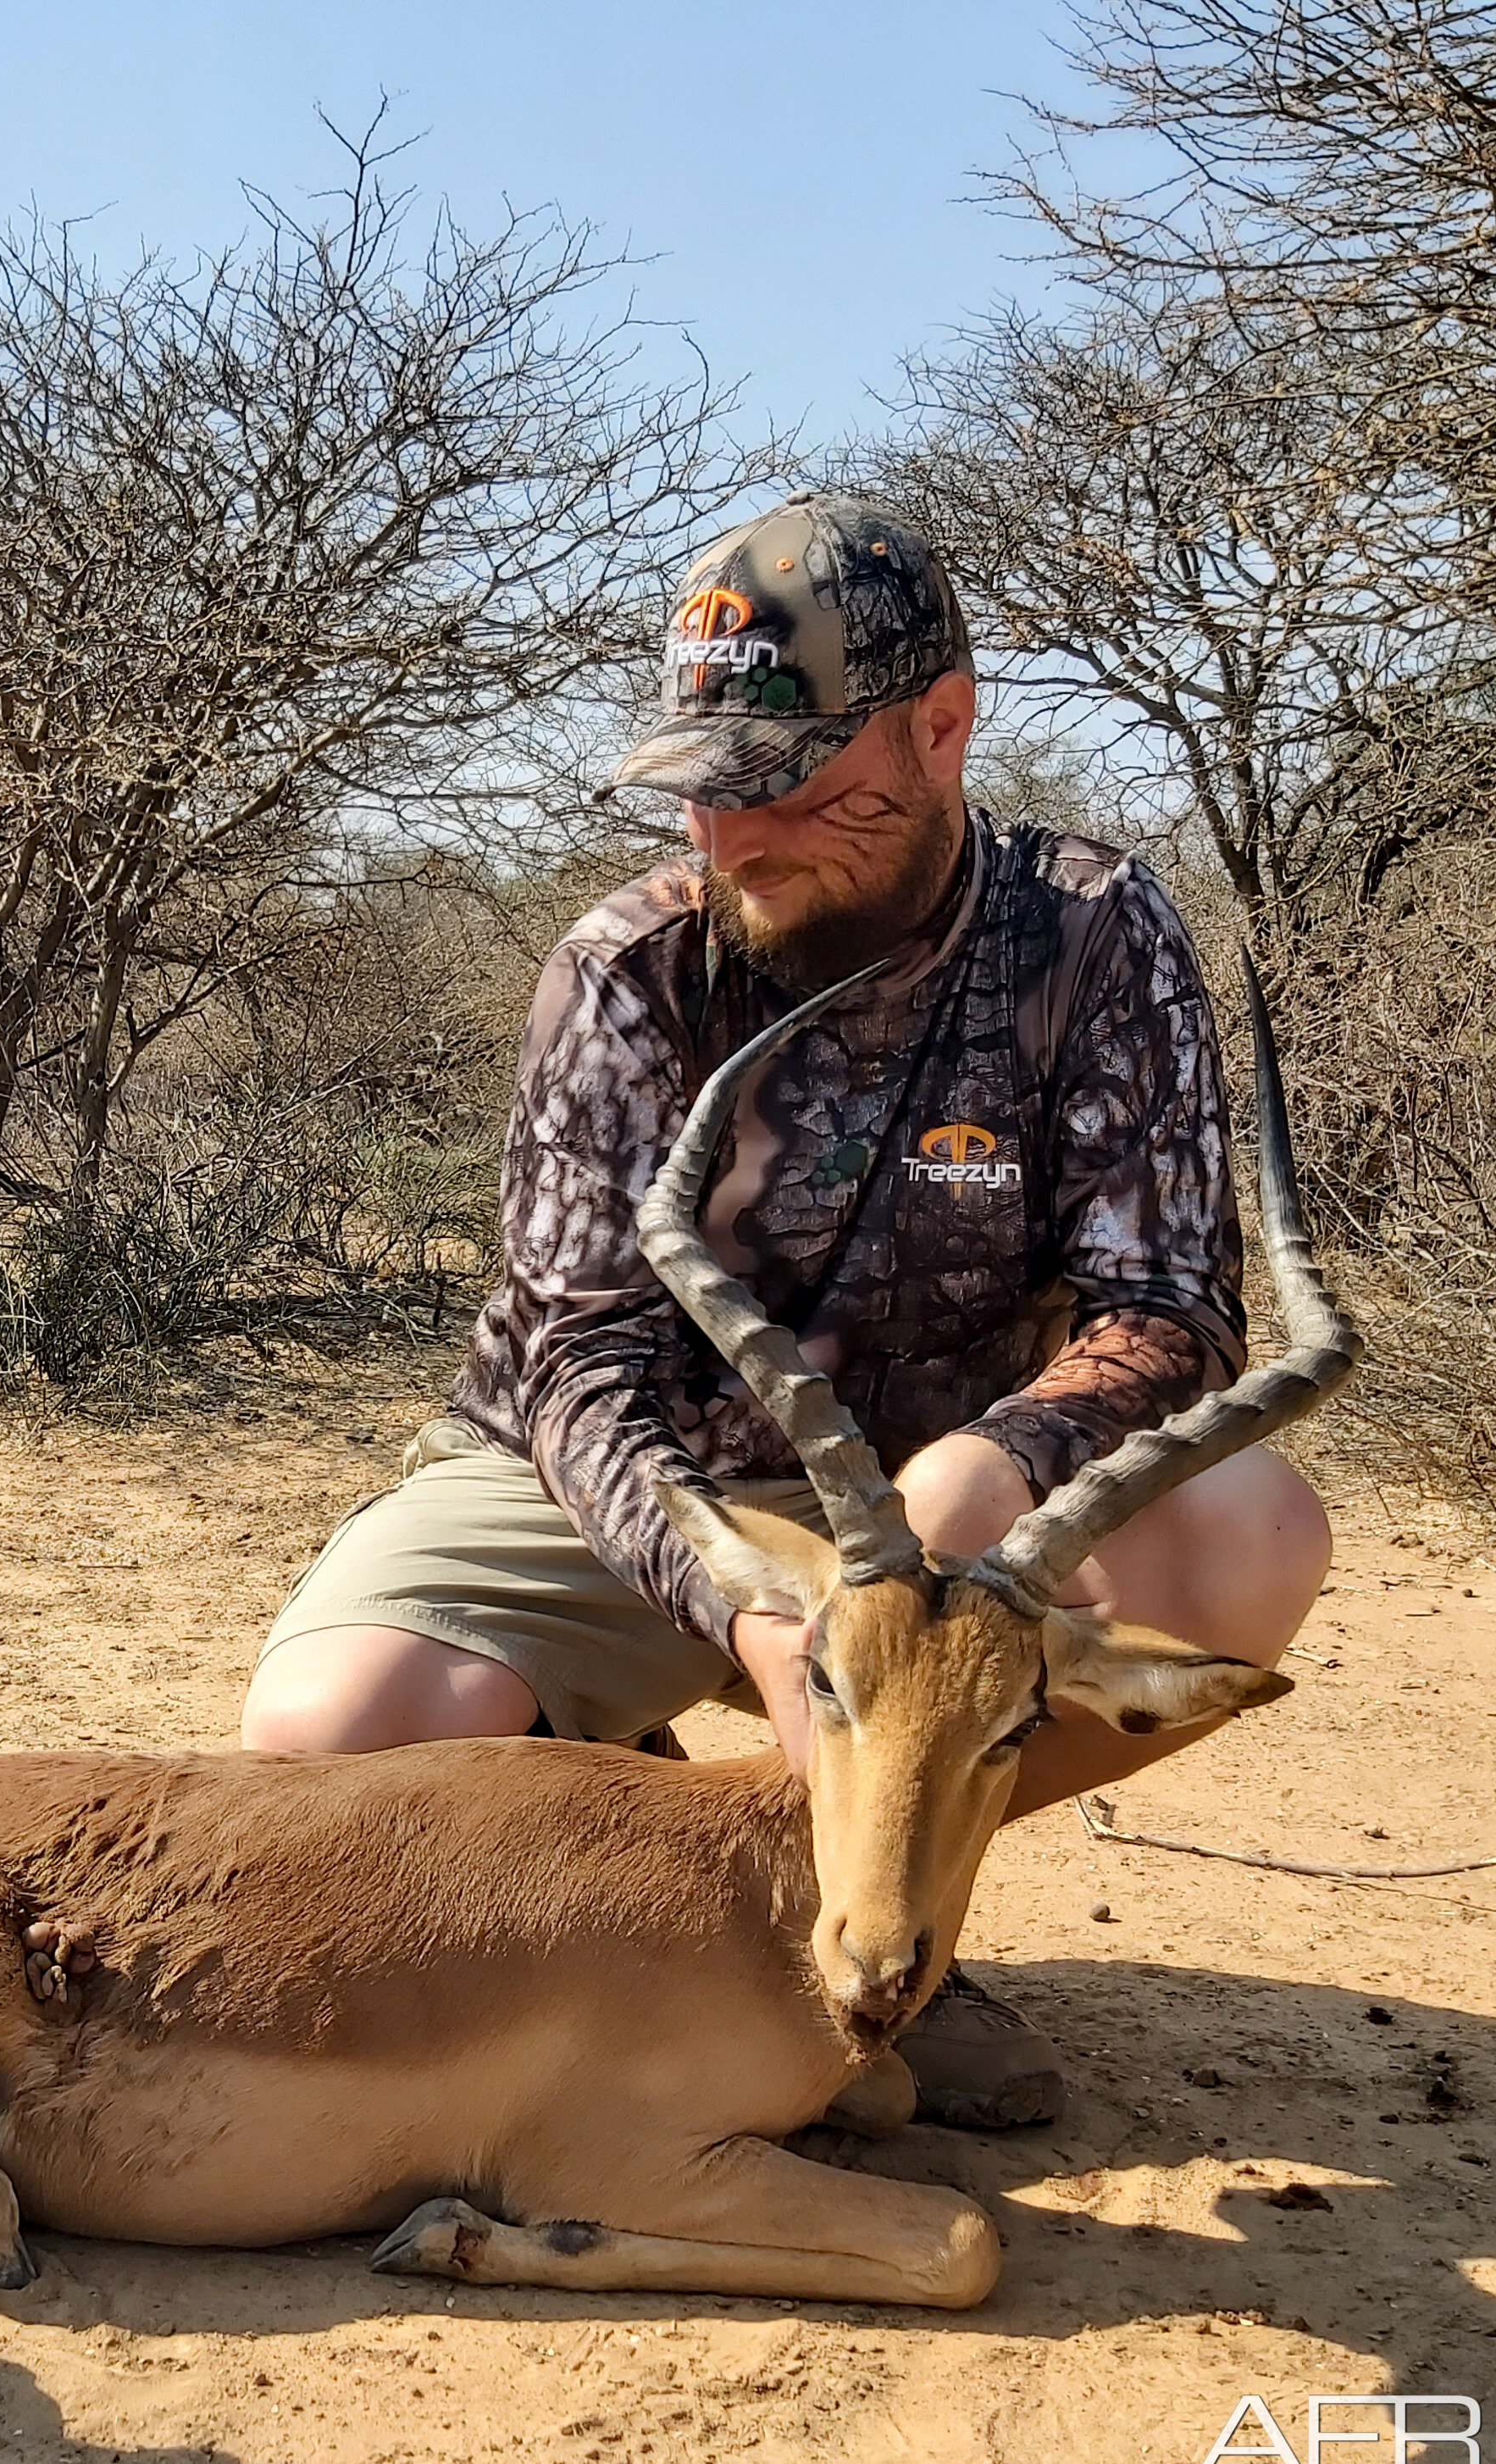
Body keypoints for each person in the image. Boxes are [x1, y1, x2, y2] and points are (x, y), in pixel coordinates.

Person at [239, 494, 1333, 2128]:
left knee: (1253, 1531)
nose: (729, 843)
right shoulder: (630, 965)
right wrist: (754, 1614)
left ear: (943, 730)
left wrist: (995, 1464)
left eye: (790, 795)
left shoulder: (1095, 933)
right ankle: (714, 1889)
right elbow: (579, 1359)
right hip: (626, 1483)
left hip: (946, 1518)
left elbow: (1167, 1302)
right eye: (702, 797)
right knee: (327, 1749)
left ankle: (883, 1914)